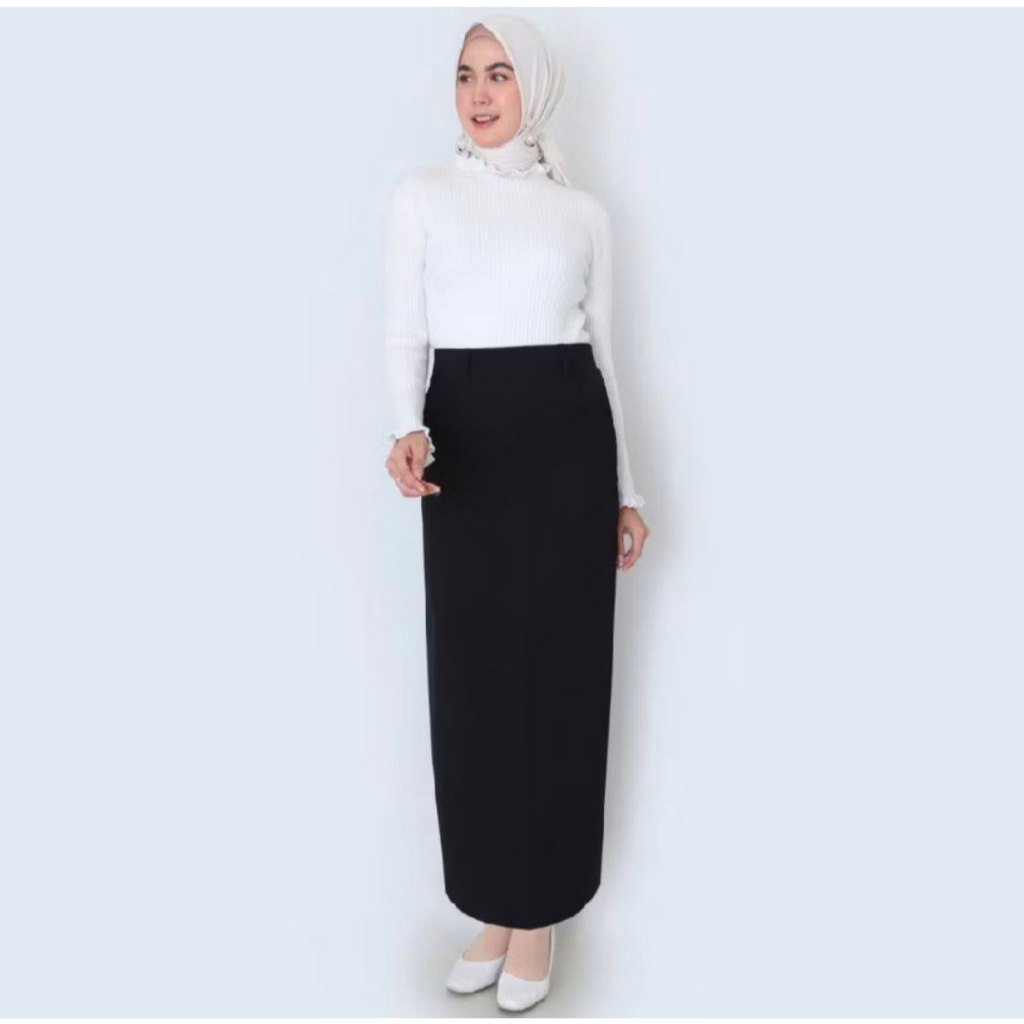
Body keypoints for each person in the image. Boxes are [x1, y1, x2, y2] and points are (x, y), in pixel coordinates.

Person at [382, 13, 651, 1012]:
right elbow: (405, 332)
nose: (480, 93)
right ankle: (495, 903)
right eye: (466, 75)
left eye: (499, 74)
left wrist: (627, 489)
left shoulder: (582, 213)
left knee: (557, 682)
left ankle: (538, 914)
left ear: (532, 87)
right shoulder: (421, 195)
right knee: (473, 685)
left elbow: (605, 355)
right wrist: (405, 429)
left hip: (566, 453)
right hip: (467, 451)